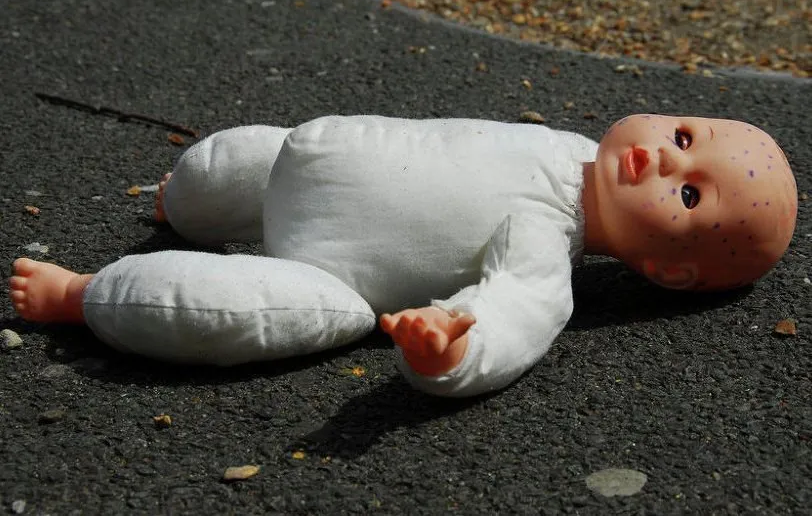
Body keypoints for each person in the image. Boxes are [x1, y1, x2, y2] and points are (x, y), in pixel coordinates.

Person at [8, 114, 798, 397]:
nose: (665, 157)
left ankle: (84, 297)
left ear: (667, 270)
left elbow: (517, 315)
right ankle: (177, 206)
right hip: (300, 162)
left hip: (325, 277)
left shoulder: (545, 246)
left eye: (687, 193)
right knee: (223, 166)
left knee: (228, 310)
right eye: (684, 135)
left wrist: (451, 348)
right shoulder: (566, 148)